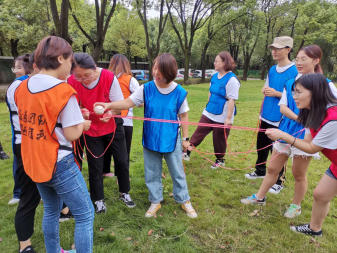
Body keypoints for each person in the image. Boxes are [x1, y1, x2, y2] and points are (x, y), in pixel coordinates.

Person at [15, 36, 94, 253]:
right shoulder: (62, 91)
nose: (71, 66)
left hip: (34, 160)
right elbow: (71, 133)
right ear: (60, 58)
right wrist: (83, 125)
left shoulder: (22, 87)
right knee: (85, 214)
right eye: (70, 61)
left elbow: (44, 118)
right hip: (59, 163)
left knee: (51, 209)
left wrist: (75, 118)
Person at [94, 53, 197, 218]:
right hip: (151, 137)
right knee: (151, 172)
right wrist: (108, 105)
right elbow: (128, 102)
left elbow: (183, 115)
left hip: (171, 139)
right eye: (155, 67)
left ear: (169, 72)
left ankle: (184, 199)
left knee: (177, 171)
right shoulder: (146, 88)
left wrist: (185, 139)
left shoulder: (179, 92)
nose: (156, 72)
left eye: (160, 69)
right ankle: (155, 200)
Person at [240, 45, 337, 218]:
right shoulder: (290, 82)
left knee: (298, 173)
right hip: (286, 130)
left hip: (307, 136)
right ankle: (260, 197)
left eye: (303, 59)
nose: (299, 63)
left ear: (316, 61)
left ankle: (296, 205)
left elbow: (331, 110)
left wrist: (308, 123)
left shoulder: (325, 85)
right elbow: (283, 106)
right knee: (272, 168)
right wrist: (300, 119)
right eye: (297, 59)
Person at [265, 73, 337, 236]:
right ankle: (314, 229)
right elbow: (308, 138)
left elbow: (312, 148)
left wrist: (284, 136)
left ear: (314, 92)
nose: (294, 96)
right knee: (320, 194)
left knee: (321, 194)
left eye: (298, 92)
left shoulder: (333, 118)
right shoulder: (314, 112)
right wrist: (283, 137)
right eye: (293, 91)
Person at [68, 52, 135, 211]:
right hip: (90, 129)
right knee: (95, 165)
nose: (84, 80)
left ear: (94, 68)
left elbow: (121, 106)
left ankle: (124, 192)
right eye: (79, 77)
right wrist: (80, 112)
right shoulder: (71, 81)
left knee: (122, 160)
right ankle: (98, 199)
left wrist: (110, 112)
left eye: (87, 75)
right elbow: (71, 107)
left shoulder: (108, 77)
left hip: (112, 126)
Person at [245, 36, 298, 195]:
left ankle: (279, 180)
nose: (274, 51)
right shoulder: (272, 69)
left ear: (288, 50)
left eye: (278, 48)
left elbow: (295, 96)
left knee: (278, 150)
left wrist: (276, 93)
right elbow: (266, 86)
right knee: (261, 145)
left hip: (281, 117)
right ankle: (260, 170)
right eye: (273, 49)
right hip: (266, 114)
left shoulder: (295, 71)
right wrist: (265, 90)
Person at [185, 51, 240, 169]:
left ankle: (220, 160)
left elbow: (231, 100)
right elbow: (210, 92)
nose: (214, 63)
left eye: (217, 61)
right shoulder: (214, 76)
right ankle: (187, 151)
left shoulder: (232, 80)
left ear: (225, 63)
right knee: (199, 132)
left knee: (218, 139)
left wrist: (228, 119)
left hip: (223, 115)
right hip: (209, 111)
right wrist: (208, 105)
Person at [6, 54, 32, 206]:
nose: (15, 70)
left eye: (19, 67)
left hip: (30, 133)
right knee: (20, 165)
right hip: (20, 134)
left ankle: (35, 191)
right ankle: (19, 193)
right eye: (15, 67)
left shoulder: (32, 82)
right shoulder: (17, 85)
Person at [108, 54, 140, 165]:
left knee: (109, 149)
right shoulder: (130, 80)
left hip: (110, 119)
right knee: (124, 151)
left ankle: (106, 172)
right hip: (123, 120)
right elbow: (141, 101)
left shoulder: (107, 78)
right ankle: (119, 177)